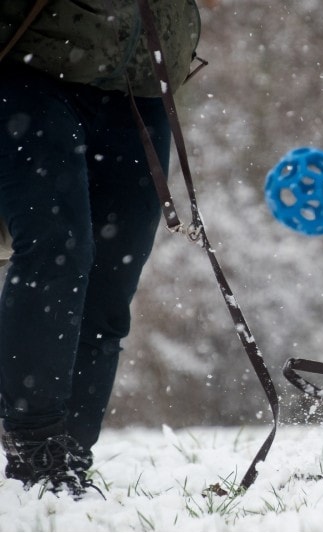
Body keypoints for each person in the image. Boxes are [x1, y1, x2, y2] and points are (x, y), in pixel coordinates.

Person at [0, 0, 201, 497]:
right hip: (30, 67)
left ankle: (70, 457)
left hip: (140, 82)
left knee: (112, 281)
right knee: (57, 252)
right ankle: (35, 451)